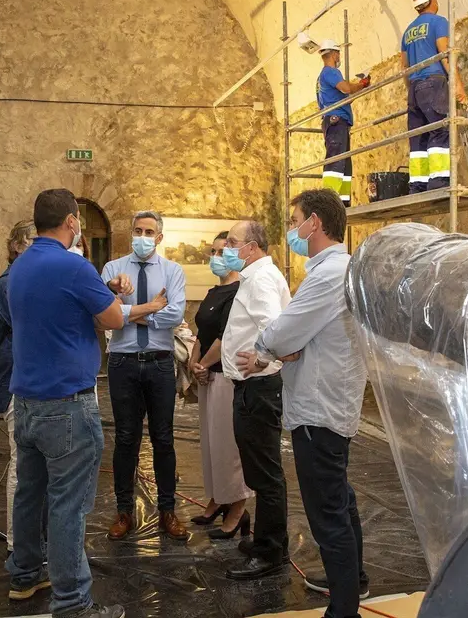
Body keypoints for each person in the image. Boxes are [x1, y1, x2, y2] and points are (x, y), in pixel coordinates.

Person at [239, 189, 369, 618]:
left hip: (319, 408)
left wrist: (268, 348)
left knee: (328, 512)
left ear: (315, 223)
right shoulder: (337, 270)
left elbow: (284, 331)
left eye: (296, 221)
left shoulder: (330, 273)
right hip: (329, 403)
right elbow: (296, 336)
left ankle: (343, 609)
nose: (292, 229)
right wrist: (286, 346)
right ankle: (353, 580)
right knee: (339, 497)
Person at [6, 188, 126, 618]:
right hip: (67, 406)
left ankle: (25, 575)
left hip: (26, 403)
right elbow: (113, 318)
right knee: (68, 506)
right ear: (72, 221)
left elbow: (52, 311)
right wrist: (111, 296)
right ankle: (73, 603)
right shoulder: (74, 267)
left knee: (30, 496)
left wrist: (97, 291)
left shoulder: (20, 266)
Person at [101, 210, 189, 541]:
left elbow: (175, 315)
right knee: (126, 439)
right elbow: (105, 314)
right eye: (138, 230)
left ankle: (168, 510)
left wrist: (130, 314)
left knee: (163, 438)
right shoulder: (112, 270)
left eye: (149, 232)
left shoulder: (173, 271)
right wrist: (151, 307)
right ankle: (124, 511)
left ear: (159, 237)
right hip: (123, 363)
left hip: (159, 363)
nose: (142, 237)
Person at [220, 220, 292, 580]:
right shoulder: (254, 276)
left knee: (265, 473)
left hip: (258, 389)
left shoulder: (261, 279)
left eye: (232, 242)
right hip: (252, 388)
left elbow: (274, 326)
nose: (226, 248)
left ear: (252, 247)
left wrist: (263, 358)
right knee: (259, 470)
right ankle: (268, 540)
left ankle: (270, 551)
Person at [188, 231, 253, 539]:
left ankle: (237, 507)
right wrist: (194, 362)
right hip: (207, 375)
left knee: (228, 446)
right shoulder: (214, 292)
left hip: (226, 376)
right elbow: (202, 332)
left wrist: (202, 364)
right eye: (212, 252)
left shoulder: (240, 291)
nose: (217, 257)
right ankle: (217, 498)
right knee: (210, 444)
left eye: (222, 251)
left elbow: (226, 336)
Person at [0, 219, 35, 554]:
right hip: (19, 382)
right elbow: (25, 328)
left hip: (30, 379)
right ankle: (18, 543)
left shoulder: (24, 279)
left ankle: (32, 541)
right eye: (32, 240)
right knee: (21, 465)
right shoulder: (9, 284)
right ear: (17, 246)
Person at [400, 0, 467, 194]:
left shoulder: (407, 32)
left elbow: (405, 68)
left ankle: (418, 185)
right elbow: (445, 54)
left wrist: (412, 89)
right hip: (433, 83)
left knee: (418, 138)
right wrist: (458, 86)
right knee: (440, 131)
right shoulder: (439, 22)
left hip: (414, 88)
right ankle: (439, 181)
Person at [316, 39, 370, 206]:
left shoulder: (321, 77)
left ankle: (342, 202)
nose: (339, 57)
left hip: (335, 120)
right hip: (336, 121)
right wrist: (361, 84)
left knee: (344, 163)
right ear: (333, 54)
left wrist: (359, 88)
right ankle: (329, 202)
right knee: (336, 160)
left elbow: (344, 98)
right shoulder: (331, 72)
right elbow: (346, 88)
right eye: (338, 53)